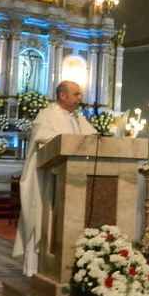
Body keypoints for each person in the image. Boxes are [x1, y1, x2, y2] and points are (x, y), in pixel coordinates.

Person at [12, 81, 97, 276]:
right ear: (62, 96)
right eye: (76, 94)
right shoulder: (47, 114)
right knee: (43, 216)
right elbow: (42, 137)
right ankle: (36, 267)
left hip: (73, 178)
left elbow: (92, 135)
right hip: (49, 178)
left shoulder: (77, 117)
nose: (79, 98)